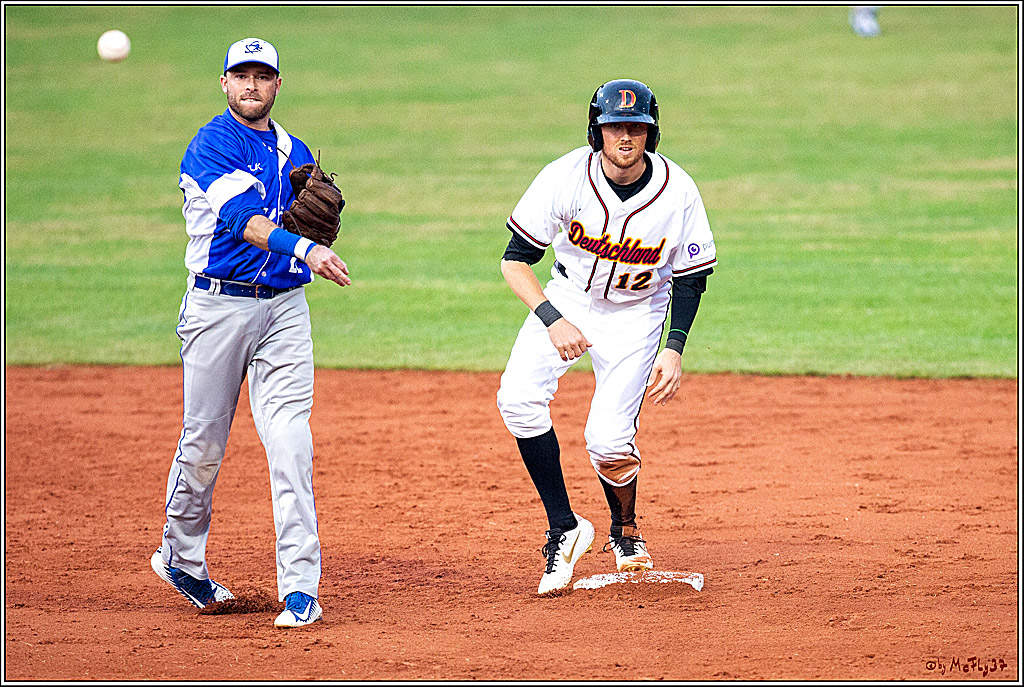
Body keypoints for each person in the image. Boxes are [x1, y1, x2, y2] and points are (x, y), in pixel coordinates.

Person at [150, 37, 351, 628]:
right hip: (218, 310)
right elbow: (246, 223)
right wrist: (305, 246)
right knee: (204, 444)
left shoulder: (295, 150)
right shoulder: (210, 145)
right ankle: (181, 556)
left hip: (285, 311)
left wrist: (311, 238)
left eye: (263, 76)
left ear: (278, 85)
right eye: (242, 75)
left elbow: (307, 214)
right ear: (224, 82)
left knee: (291, 442)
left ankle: (300, 587)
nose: (252, 85)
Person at [496, 79, 716, 595]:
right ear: (597, 131)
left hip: (638, 315)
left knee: (608, 441)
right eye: (615, 126)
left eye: (635, 127)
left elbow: (691, 276)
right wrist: (553, 318)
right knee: (518, 398)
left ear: (650, 133)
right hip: (568, 299)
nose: (625, 136)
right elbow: (515, 262)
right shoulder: (565, 176)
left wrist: (674, 347)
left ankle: (625, 530)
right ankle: (564, 527)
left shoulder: (677, 189)